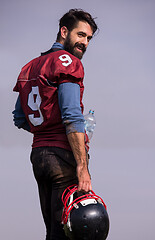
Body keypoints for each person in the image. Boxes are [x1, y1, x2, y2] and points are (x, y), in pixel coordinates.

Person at [12, 9, 98, 240]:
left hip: (39, 156)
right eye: (80, 35)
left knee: (52, 229)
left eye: (88, 38)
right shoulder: (68, 62)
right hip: (62, 157)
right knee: (71, 232)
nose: (85, 42)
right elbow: (71, 116)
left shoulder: (29, 67)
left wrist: (45, 129)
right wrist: (82, 167)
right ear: (64, 31)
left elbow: (20, 118)